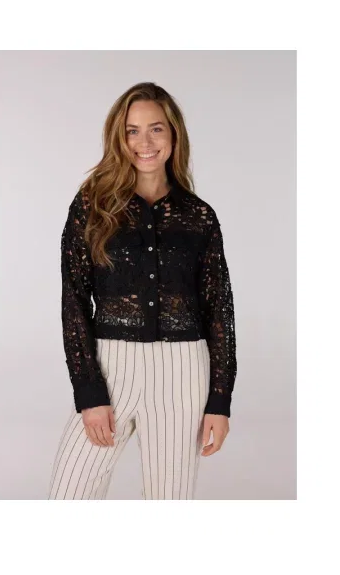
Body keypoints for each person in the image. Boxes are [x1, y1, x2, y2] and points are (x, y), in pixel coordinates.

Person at [48, 82, 237, 500]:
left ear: (173, 134)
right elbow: (74, 301)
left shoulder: (199, 217)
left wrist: (219, 401)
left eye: (156, 129)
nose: (144, 142)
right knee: (69, 495)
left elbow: (219, 312)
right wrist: (89, 392)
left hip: (183, 373)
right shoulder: (92, 206)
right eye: (132, 131)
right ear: (119, 138)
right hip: (111, 366)